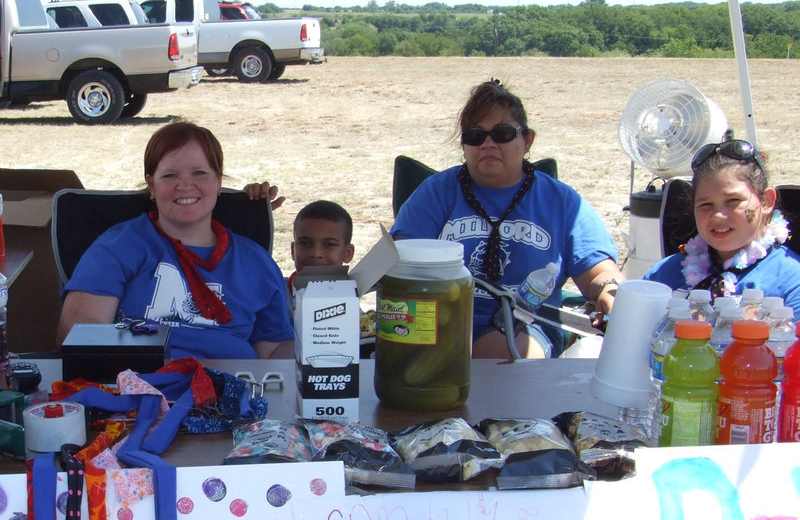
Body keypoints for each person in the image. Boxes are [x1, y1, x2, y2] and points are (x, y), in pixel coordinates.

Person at [389, 79, 622, 358]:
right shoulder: (435, 193)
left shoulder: (561, 201)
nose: (488, 144)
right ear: (464, 144)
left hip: (526, 324)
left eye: (502, 133)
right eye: (475, 135)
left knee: (502, 355)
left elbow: (597, 269)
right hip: (438, 320)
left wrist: (609, 289)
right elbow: (400, 260)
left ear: (527, 140)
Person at [58, 121, 294, 360]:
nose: (184, 185)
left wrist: (324, 344)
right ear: (151, 185)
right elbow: (80, 336)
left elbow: (273, 353)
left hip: (232, 388)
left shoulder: (256, 263)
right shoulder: (118, 247)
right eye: (170, 175)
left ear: (218, 180)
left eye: (199, 173)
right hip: (139, 385)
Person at [643, 139, 800, 308]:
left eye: (733, 200)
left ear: (767, 201)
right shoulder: (665, 273)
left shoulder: (791, 281)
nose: (718, 215)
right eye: (705, 205)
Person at [290, 199, 355, 298]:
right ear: (293, 250)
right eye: (305, 243)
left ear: (348, 253)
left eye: (329, 244)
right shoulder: (275, 295)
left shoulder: (352, 303)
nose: (316, 253)